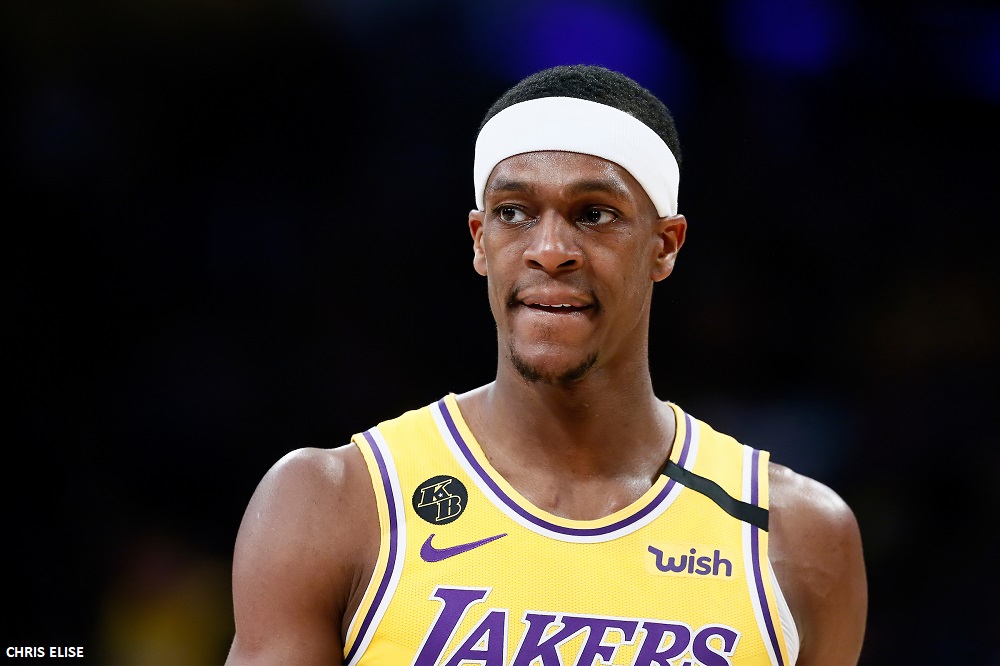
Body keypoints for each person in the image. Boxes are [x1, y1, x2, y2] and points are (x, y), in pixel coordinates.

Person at [225, 64, 867, 666]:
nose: (551, 250)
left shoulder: (797, 536)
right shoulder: (336, 503)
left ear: (664, 247)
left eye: (595, 214)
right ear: (480, 241)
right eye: (514, 213)